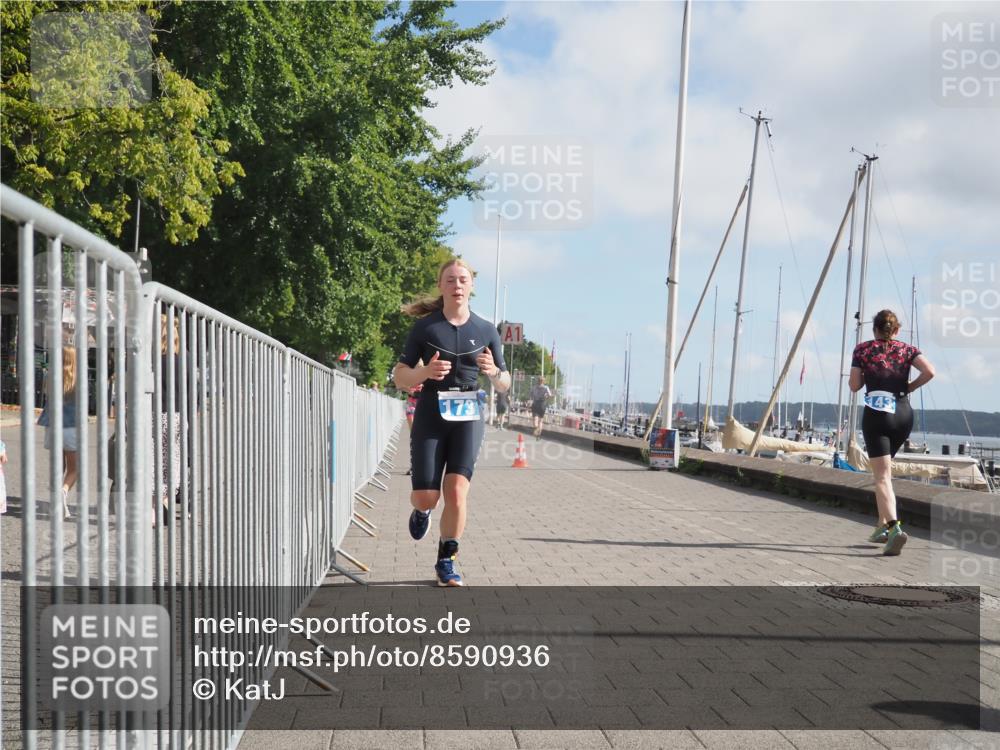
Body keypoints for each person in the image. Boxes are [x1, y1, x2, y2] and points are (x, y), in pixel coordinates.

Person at [392, 258, 511, 587]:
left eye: (463, 280)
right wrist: (424, 373)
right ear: (441, 286)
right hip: (431, 411)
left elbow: (505, 382)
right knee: (428, 497)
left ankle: (447, 560)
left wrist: (493, 373)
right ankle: (422, 511)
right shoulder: (426, 328)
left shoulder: (486, 330)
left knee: (457, 492)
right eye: (450, 280)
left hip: (468, 414)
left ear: (471, 286)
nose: (457, 285)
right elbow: (400, 377)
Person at [849, 309, 935, 556]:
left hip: (877, 415)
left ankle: (894, 529)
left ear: (874, 329)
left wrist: (868, 372)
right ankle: (881, 527)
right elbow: (929, 371)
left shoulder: (863, 350)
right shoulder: (908, 350)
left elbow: (854, 385)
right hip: (903, 414)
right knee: (883, 474)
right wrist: (908, 386)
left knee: (882, 477)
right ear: (896, 330)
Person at [38, 345, 77, 519]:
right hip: (72, 426)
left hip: (52, 425)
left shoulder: (51, 376)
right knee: (75, 468)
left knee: (58, 465)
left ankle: (56, 501)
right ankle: (63, 491)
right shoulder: (78, 378)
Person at [404, 381, 423, 476]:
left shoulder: (428, 369)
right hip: (411, 405)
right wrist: (409, 390)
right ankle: (414, 466)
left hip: (424, 404)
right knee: (414, 435)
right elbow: (401, 384)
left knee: (424, 436)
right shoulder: (410, 368)